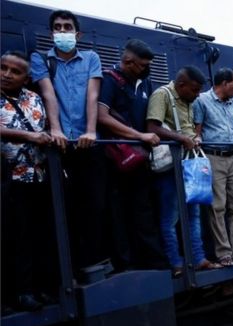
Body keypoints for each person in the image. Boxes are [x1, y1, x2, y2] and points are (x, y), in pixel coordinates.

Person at [30, 9, 106, 270]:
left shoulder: (91, 58)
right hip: (60, 146)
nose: (63, 32)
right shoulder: (41, 59)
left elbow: (92, 96)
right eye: (58, 27)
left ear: (77, 33)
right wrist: (56, 129)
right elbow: (48, 95)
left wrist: (91, 131)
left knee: (94, 205)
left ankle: (93, 264)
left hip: (88, 143)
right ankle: (67, 269)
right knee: (64, 209)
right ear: (52, 32)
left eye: (67, 27)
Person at [97, 39, 167, 271]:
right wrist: (139, 136)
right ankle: (126, 264)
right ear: (128, 62)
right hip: (116, 159)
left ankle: (153, 262)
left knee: (144, 210)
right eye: (143, 64)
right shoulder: (109, 80)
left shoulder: (145, 84)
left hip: (141, 159)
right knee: (118, 213)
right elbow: (102, 116)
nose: (147, 68)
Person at [147, 66, 221, 276]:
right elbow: (152, 128)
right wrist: (182, 139)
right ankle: (175, 262)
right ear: (181, 85)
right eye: (195, 90)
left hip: (190, 164)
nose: (198, 95)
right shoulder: (162, 95)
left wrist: (195, 138)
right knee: (170, 218)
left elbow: (190, 128)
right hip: (170, 166)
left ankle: (198, 258)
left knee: (193, 214)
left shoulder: (190, 100)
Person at [1, 51, 55, 311]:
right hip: (6, 178)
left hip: (36, 177)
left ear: (26, 77)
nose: (7, 74)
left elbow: (45, 126)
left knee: (37, 235)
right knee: (12, 237)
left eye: (14, 71)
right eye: (3, 68)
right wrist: (30, 137)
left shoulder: (34, 98)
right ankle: (17, 294)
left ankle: (37, 289)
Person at [193, 68, 233, 266]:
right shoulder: (201, 101)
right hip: (214, 157)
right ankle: (224, 253)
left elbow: (231, 128)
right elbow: (197, 130)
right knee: (217, 207)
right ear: (223, 84)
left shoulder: (232, 102)